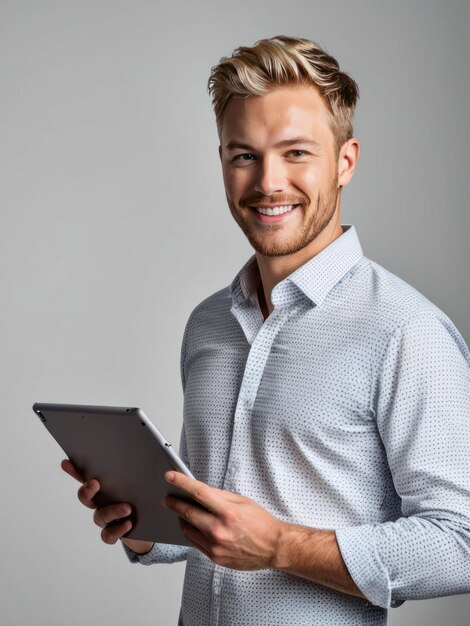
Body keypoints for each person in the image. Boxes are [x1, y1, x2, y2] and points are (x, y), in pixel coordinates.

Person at [62, 35, 470, 625]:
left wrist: (280, 545)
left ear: (346, 161)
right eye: (244, 155)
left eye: (296, 153)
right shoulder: (208, 325)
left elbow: (461, 541)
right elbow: (211, 524)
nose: (267, 183)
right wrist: (143, 525)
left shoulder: (406, 330)